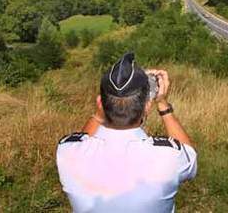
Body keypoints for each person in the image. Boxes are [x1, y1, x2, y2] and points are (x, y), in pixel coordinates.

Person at [56, 53, 197, 213]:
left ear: (100, 103)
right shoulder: (169, 156)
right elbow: (190, 156)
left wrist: (99, 113)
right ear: (147, 106)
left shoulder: (67, 151)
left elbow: (81, 142)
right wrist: (163, 104)